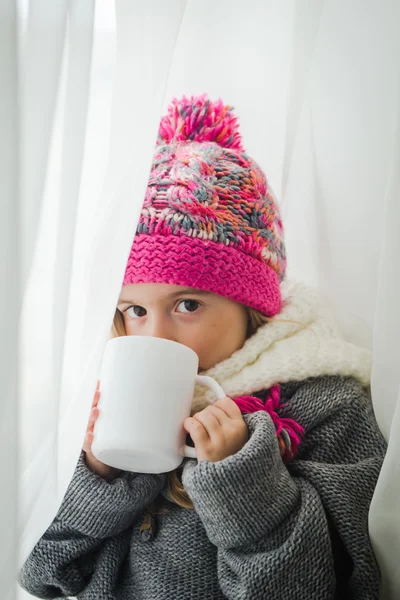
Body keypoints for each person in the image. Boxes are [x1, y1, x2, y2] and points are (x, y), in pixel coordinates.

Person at [18, 94, 386, 600]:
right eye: (135, 309)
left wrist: (244, 480)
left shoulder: (327, 406)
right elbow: (41, 574)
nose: (154, 336)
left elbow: (345, 583)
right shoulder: (102, 397)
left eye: (187, 304)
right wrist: (98, 477)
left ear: (251, 306)